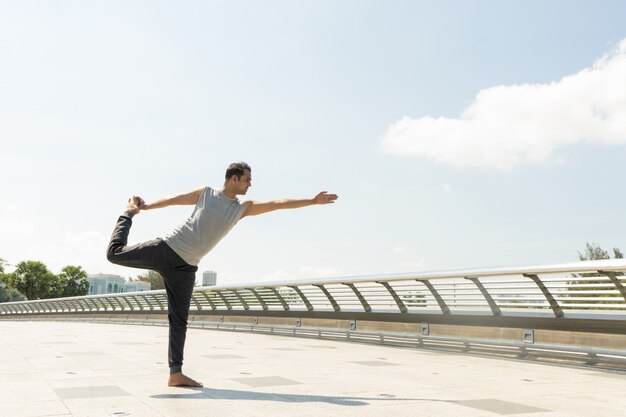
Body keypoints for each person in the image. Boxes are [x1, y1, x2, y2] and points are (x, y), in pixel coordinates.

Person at [106, 162, 338, 387]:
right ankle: (127, 214)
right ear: (234, 178)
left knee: (179, 320)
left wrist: (312, 201)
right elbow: (174, 200)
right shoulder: (205, 193)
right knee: (114, 253)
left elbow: (278, 203)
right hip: (167, 249)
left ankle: (175, 374)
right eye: (247, 179)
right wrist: (144, 208)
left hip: (187, 267)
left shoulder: (241, 209)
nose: (250, 185)